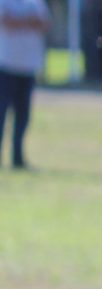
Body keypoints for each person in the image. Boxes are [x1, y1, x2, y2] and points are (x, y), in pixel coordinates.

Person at [0, 0, 47, 170]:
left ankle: (17, 158)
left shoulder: (36, 2)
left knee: (23, 116)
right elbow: (7, 23)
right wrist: (30, 21)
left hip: (28, 67)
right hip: (5, 66)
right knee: (1, 114)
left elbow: (44, 24)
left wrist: (20, 21)